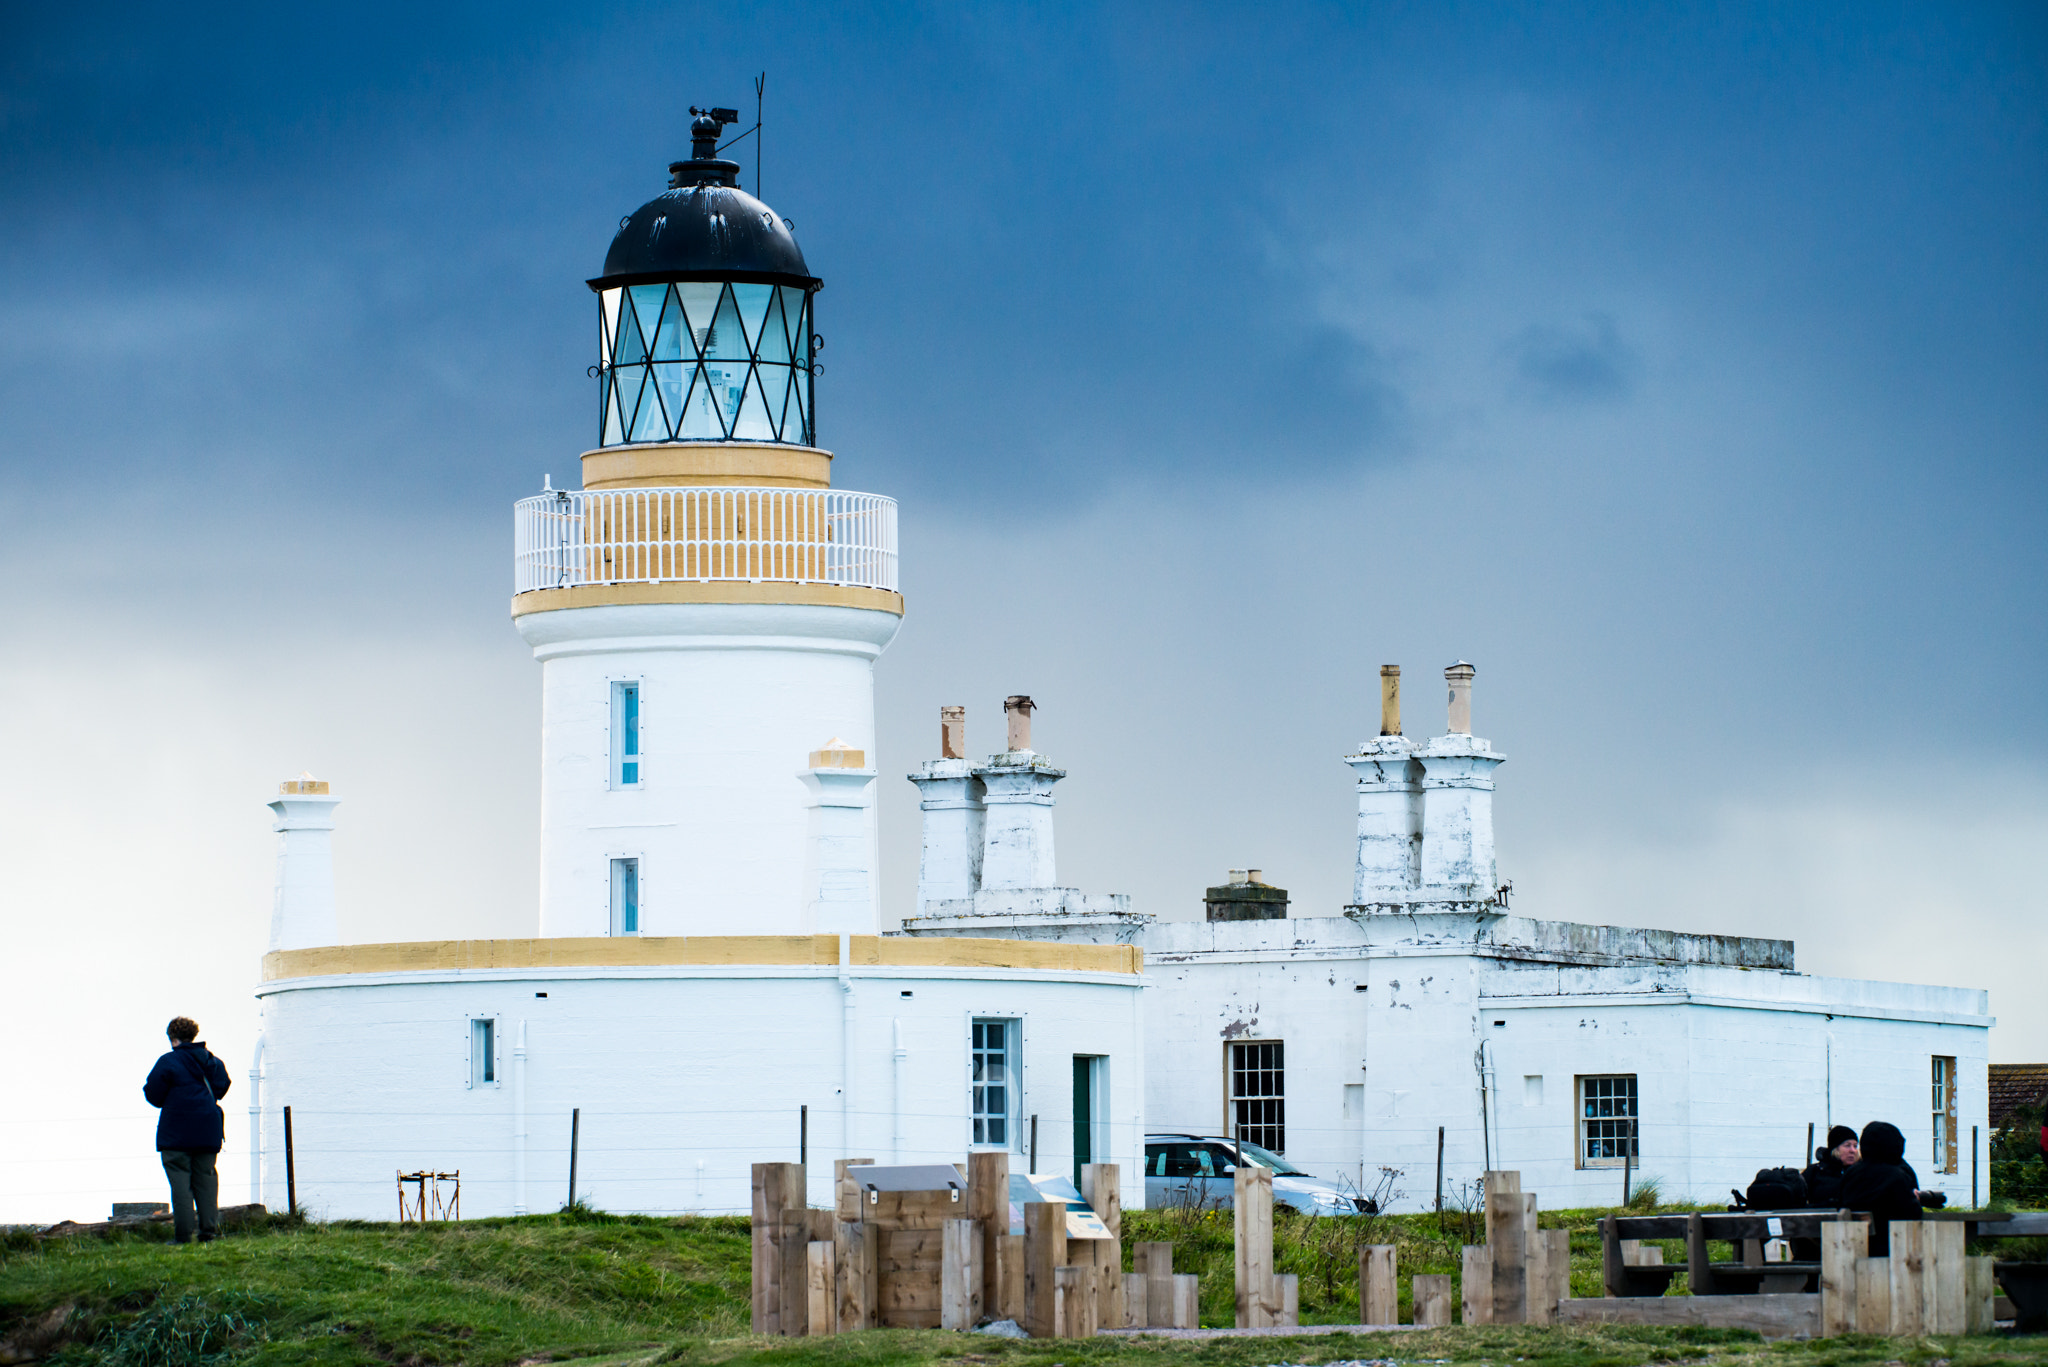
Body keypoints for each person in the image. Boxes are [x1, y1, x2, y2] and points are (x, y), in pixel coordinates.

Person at [143, 1016, 231, 1244]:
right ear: (193, 1035)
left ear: (173, 1039)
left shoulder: (168, 1061)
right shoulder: (212, 1061)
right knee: (206, 1181)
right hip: (208, 1130)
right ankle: (208, 1233)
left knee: (181, 1183)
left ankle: (183, 1235)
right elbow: (223, 1085)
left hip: (176, 1133)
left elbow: (152, 1093)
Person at [1837, 1120, 1923, 1256]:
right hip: (1889, 1251)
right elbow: (1913, 1215)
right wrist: (1915, 1199)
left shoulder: (1851, 1174)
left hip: (1852, 1249)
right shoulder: (1896, 1176)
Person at [1803, 1125, 1860, 1207]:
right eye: (1847, 1145)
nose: (1853, 1150)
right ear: (1835, 1148)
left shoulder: (1859, 1173)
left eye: (1855, 1146)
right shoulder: (1815, 1172)